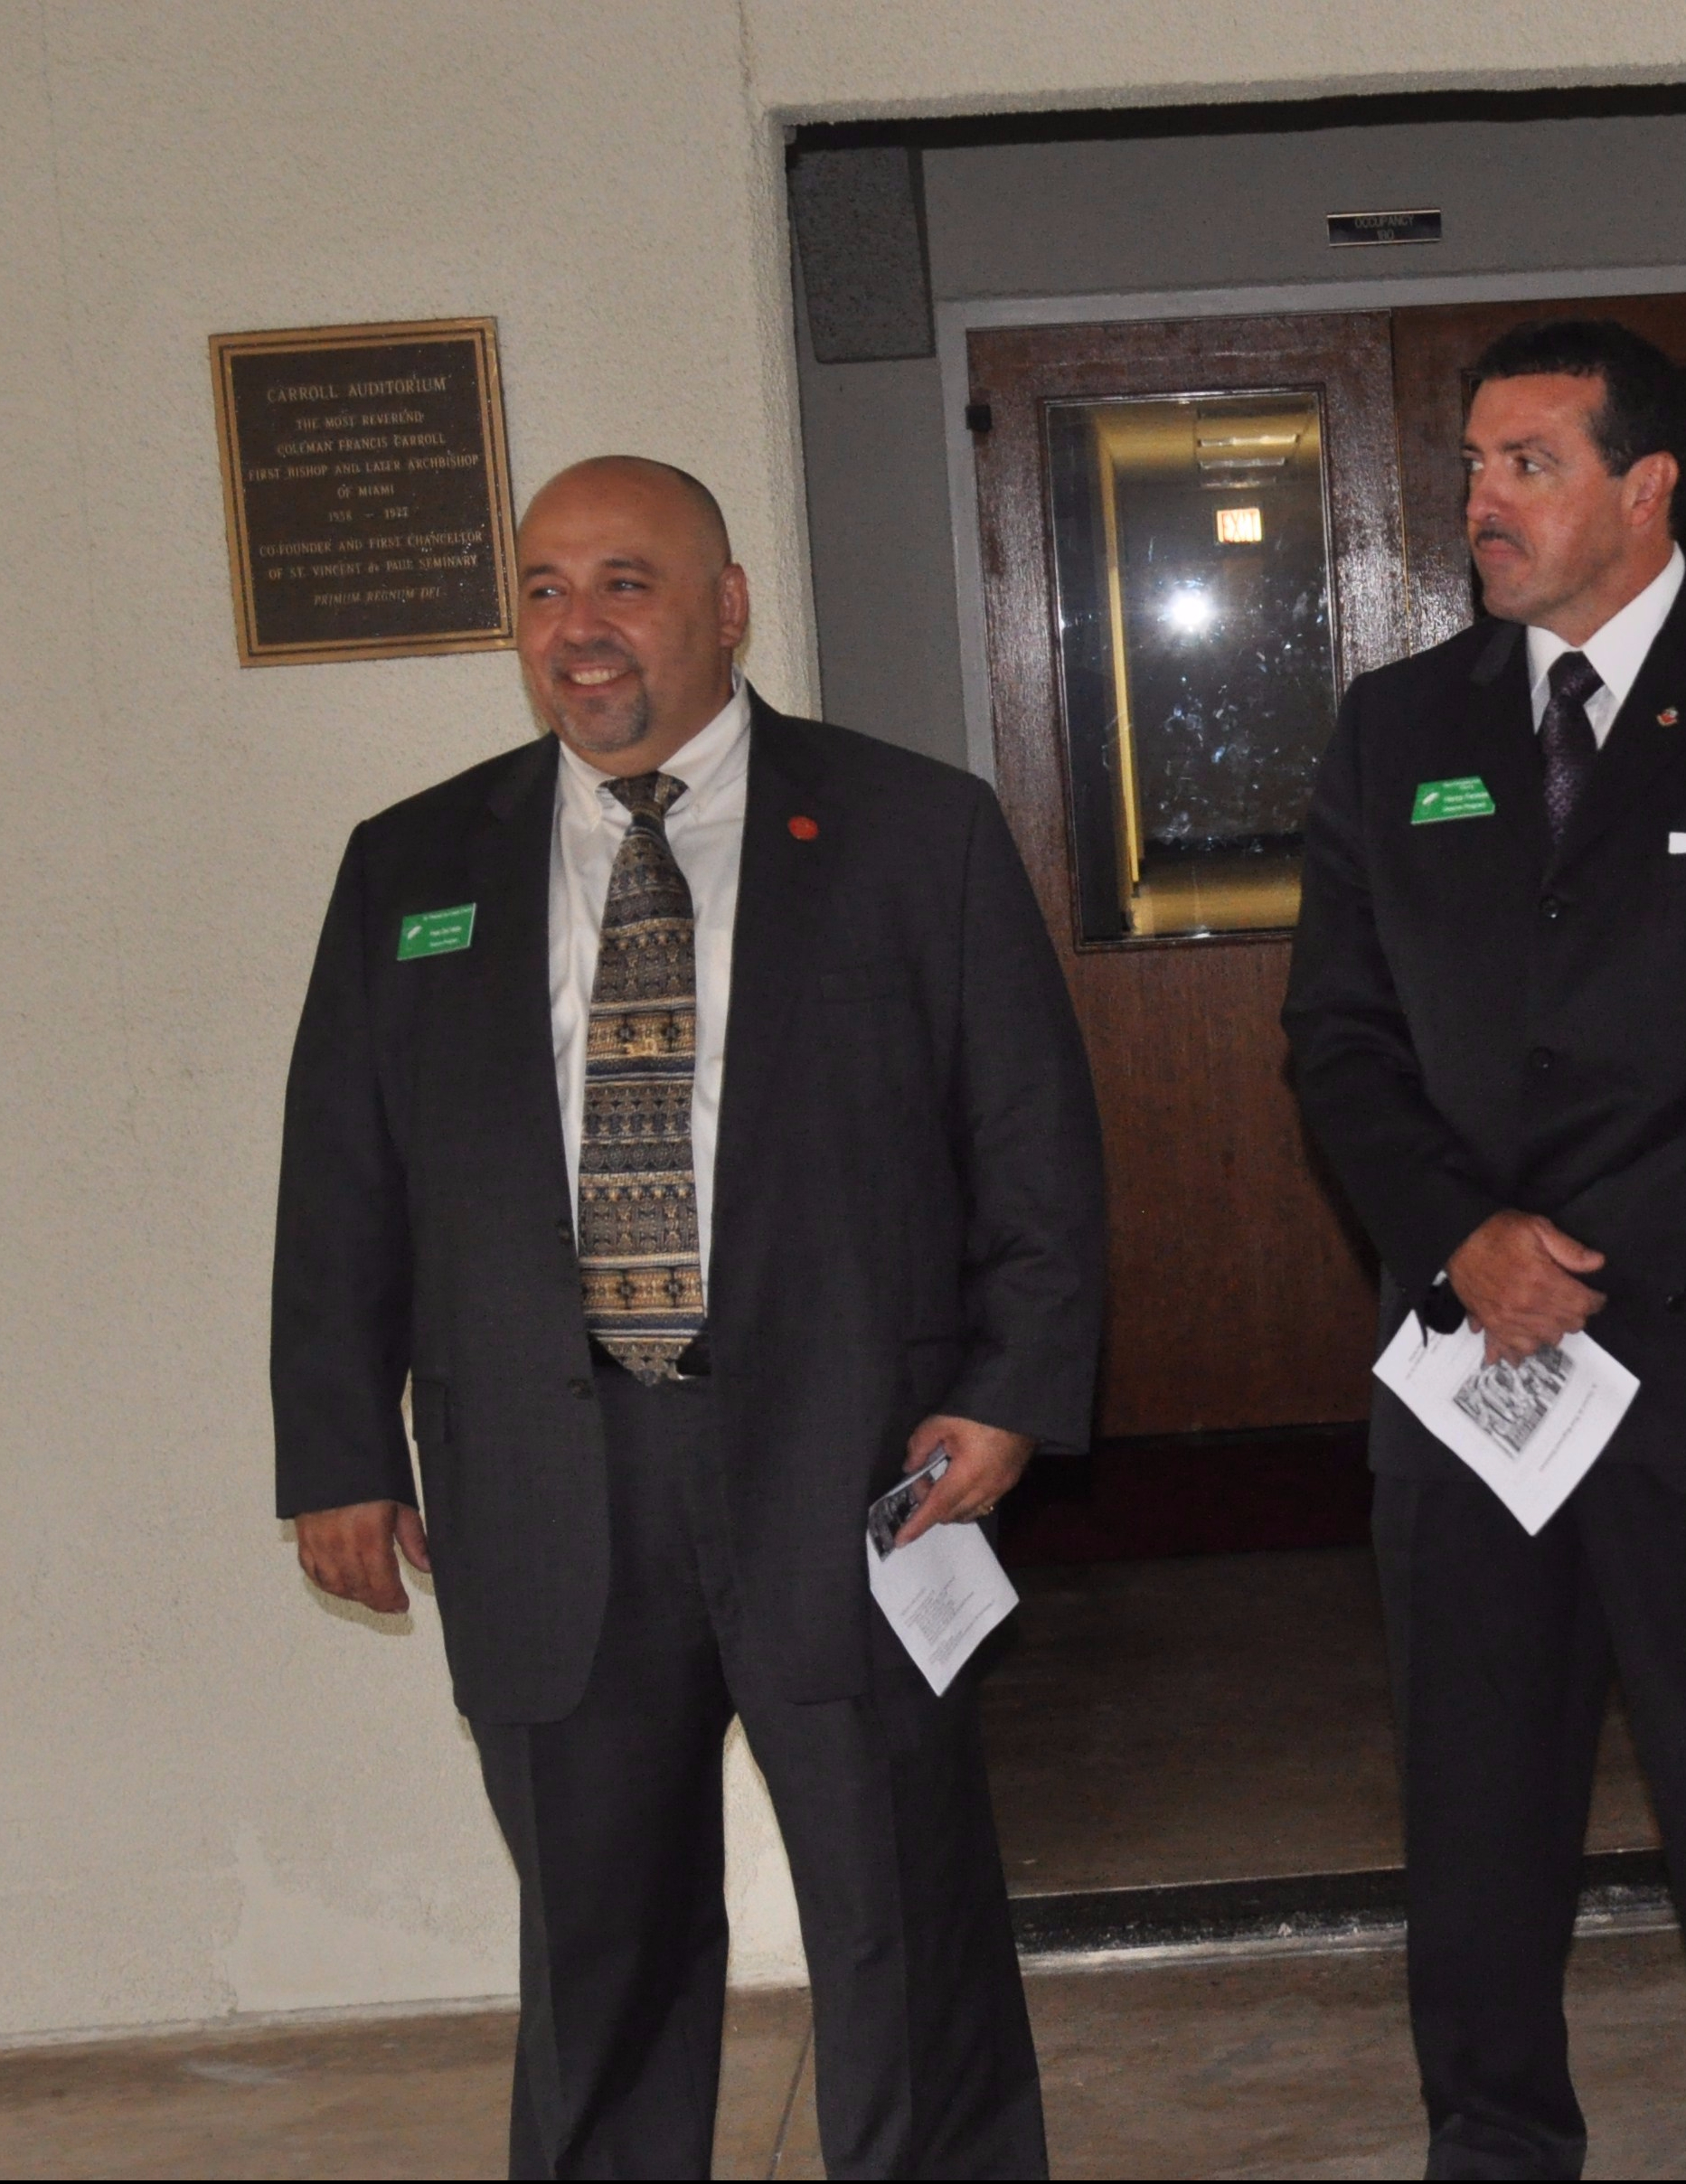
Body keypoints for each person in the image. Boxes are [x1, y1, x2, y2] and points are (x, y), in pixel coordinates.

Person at [271, 457, 1104, 2179]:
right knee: (599, 1957)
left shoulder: (912, 830)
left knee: (900, 1932)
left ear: (727, 607)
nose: (578, 628)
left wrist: (1013, 1390)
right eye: (544, 589)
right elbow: (343, 1184)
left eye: (625, 583)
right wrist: (339, 1450)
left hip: (848, 1461)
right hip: (540, 1477)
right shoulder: (412, 864)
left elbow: (1030, 1143)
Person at [1284, 320, 1686, 2180]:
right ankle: (1492, 2140)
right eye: (1473, 466)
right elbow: (1338, 1038)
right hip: (1468, 1376)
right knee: (1478, 1809)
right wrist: (1463, 1238)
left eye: (1528, 464)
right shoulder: (1397, 730)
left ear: (1646, 487)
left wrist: (1585, 1258)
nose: (1481, 502)